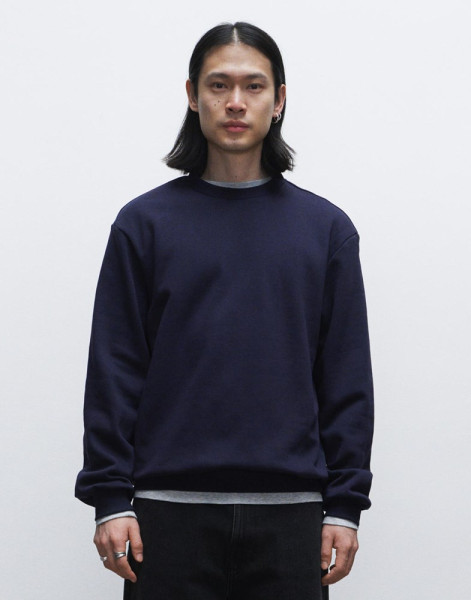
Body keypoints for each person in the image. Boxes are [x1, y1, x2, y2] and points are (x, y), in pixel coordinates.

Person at [75, 21, 374, 600]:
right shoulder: (143, 226)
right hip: (165, 518)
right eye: (219, 85)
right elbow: (114, 368)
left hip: (292, 520)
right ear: (193, 95)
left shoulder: (326, 231)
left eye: (253, 86)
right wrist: (110, 498)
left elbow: (346, 379)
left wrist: (345, 506)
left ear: (278, 100)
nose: (236, 102)